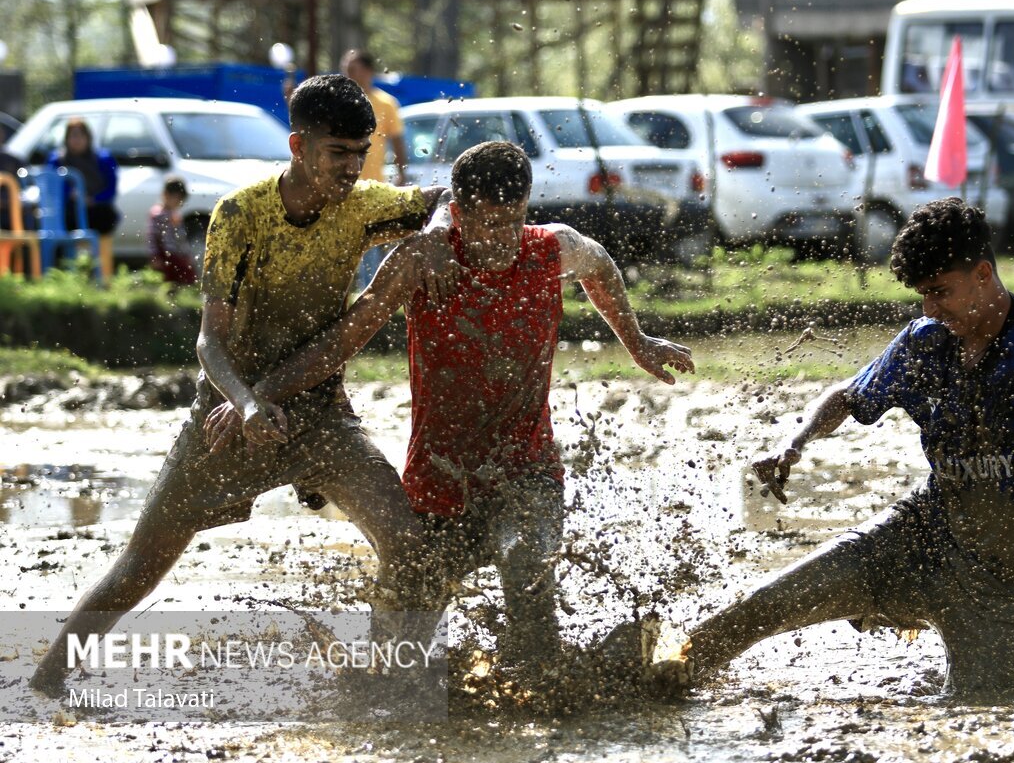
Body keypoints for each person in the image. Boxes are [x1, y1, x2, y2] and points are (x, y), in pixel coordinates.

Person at [29, 74, 458, 697]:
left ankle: (390, 684)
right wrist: (248, 402)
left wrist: (437, 233)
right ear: (297, 146)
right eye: (337, 152)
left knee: (411, 547)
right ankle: (45, 685)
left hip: (320, 416)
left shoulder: (363, 207)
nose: (350, 166)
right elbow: (210, 342)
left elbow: (443, 197)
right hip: (229, 416)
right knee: (141, 567)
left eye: (359, 152)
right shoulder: (241, 215)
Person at [203, 140, 694, 684]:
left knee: (527, 567)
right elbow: (343, 339)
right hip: (440, 481)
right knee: (390, 663)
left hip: (525, 470)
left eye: (511, 224)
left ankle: (546, 693)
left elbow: (599, 265)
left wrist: (638, 341)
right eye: (486, 226)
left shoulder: (552, 249)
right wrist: (260, 392)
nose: (499, 242)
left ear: (526, 209)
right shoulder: (424, 260)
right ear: (458, 212)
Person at [675, 198, 1014, 696]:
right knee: (766, 603)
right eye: (923, 295)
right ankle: (662, 674)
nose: (930, 309)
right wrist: (796, 442)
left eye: (940, 292)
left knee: (979, 709)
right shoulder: (926, 341)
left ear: (983, 274)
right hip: (928, 534)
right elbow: (847, 396)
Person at [343, 49, 412, 293]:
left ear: (368, 70)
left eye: (354, 68)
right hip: (338, 184)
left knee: (369, 242)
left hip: (372, 184)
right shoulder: (340, 100)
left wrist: (402, 173)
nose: (348, 72)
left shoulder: (385, 103)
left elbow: (398, 141)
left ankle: (368, 295)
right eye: (346, 68)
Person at [49, 118, 120, 277]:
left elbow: (111, 190)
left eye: (80, 136)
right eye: (72, 136)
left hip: (96, 211)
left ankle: (101, 276)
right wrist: (71, 195)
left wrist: (92, 199)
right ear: (66, 139)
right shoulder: (58, 160)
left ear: (88, 138)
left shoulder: (102, 159)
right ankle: (64, 274)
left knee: (104, 216)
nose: (76, 140)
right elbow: (52, 186)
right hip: (69, 213)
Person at [147, 175, 197, 287]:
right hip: (165, 254)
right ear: (165, 195)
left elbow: (181, 238)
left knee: (186, 277)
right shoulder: (158, 214)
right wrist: (154, 257)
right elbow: (152, 237)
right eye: (175, 198)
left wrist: (187, 254)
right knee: (168, 280)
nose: (178, 202)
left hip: (177, 254)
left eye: (180, 200)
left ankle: (181, 300)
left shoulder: (175, 214)